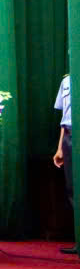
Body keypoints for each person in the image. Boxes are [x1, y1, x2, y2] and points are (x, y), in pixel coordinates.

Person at [55, 75, 75, 255]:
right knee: (72, 189)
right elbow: (65, 116)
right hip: (69, 136)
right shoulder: (66, 81)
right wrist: (60, 147)